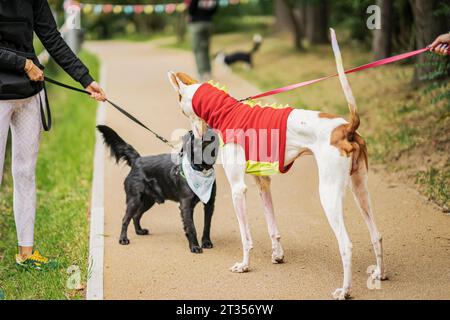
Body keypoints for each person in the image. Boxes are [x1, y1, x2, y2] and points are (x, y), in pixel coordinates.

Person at [0, 0, 106, 270]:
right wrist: (22, 63)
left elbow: (52, 38)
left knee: (26, 172)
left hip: (29, 92)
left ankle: (26, 252)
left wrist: (85, 78)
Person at [187, 0, 218, 81]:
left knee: (198, 50)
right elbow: (214, 9)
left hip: (196, 24)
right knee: (206, 48)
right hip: (208, 23)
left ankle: (202, 73)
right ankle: (208, 71)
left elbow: (191, 10)